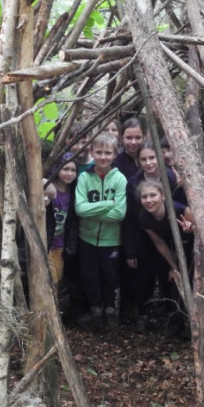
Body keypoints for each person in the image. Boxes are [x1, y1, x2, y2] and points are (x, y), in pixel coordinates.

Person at [123, 143, 181, 331]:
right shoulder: (134, 182)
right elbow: (130, 217)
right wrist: (130, 249)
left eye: (152, 158)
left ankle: (173, 316)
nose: (148, 163)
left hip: (170, 234)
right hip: (143, 234)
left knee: (169, 275)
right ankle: (143, 315)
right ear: (138, 161)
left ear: (160, 157)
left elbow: (182, 206)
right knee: (143, 276)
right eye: (144, 159)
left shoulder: (171, 177)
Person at [74, 133, 127, 331]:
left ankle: (112, 312)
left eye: (107, 153)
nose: (103, 157)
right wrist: (108, 204)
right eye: (99, 152)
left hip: (111, 240)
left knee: (112, 278)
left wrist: (92, 211)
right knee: (90, 276)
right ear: (91, 152)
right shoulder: (84, 177)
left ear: (115, 154)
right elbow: (80, 209)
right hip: (87, 238)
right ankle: (95, 311)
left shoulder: (119, 179)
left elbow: (119, 214)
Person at [137, 178, 195, 336]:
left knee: (192, 283)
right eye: (144, 197)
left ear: (163, 196)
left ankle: (194, 324)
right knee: (173, 281)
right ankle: (177, 321)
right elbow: (160, 243)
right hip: (174, 249)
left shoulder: (179, 209)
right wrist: (174, 267)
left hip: (192, 248)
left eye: (153, 195)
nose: (148, 200)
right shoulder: (144, 218)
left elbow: (201, 230)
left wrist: (191, 229)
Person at [44, 153, 78, 289]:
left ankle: (55, 301)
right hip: (46, 243)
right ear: (57, 169)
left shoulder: (74, 191)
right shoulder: (48, 188)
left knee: (57, 278)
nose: (69, 173)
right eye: (65, 169)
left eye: (73, 170)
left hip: (61, 244)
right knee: (50, 279)